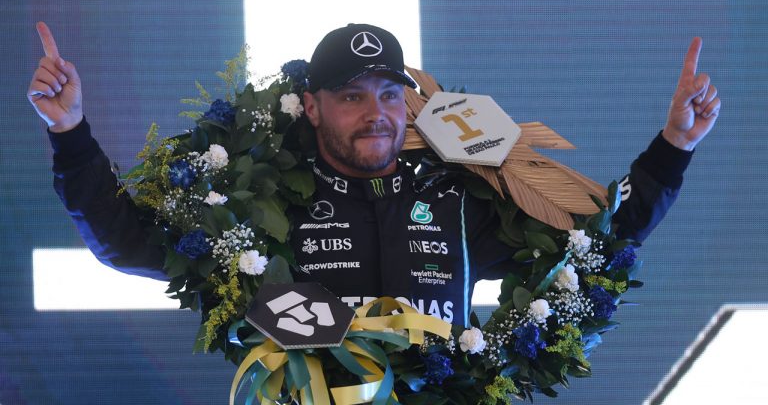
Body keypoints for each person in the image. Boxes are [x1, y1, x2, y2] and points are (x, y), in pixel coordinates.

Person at [28, 22, 720, 326]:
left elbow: (591, 242)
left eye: (389, 94)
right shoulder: (260, 206)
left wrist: (672, 146)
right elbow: (126, 241)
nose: (377, 114)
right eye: (352, 95)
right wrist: (70, 133)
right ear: (315, 107)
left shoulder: (457, 199)